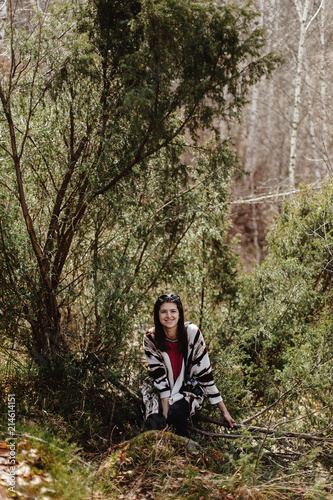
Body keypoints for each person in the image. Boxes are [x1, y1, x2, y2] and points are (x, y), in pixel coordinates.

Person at [141, 293, 234, 437]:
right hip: (161, 390)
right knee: (154, 423)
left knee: (176, 414)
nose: (168, 316)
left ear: (179, 314)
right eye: (163, 311)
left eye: (173, 311)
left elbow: (205, 374)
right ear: (157, 315)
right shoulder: (151, 339)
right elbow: (159, 378)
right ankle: (156, 456)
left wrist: (224, 411)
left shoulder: (192, 333)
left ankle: (185, 454)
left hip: (188, 388)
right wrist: (164, 416)